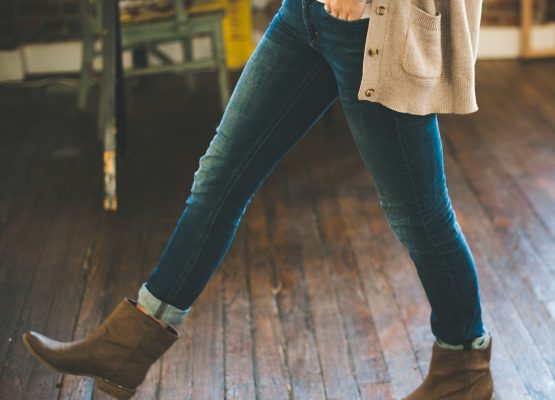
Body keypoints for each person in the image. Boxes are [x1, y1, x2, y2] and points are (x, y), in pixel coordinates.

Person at [22, 0, 493, 398]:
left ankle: (463, 367)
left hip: (373, 27)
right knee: (219, 177)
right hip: (303, 15)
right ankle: (126, 347)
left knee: (420, 218)